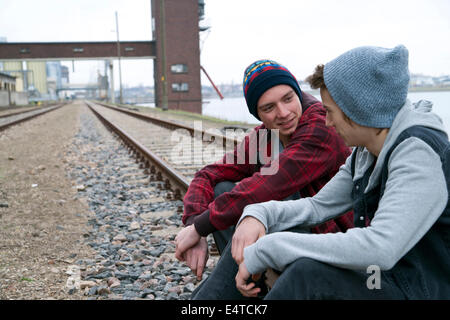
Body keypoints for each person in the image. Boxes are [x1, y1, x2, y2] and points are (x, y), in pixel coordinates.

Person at [233, 45, 450, 299]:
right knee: (288, 256)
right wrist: (257, 214)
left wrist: (268, 249)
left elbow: (380, 247)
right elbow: (317, 207)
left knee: (307, 275)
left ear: (358, 109)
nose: (327, 122)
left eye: (330, 111)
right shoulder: (367, 151)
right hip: (386, 279)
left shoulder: (418, 152)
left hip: (420, 291)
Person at [174, 59, 354, 299]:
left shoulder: (322, 126)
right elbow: (209, 174)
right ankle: (253, 288)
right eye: (269, 108)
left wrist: (200, 227)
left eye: (288, 99)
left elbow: (270, 185)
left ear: (298, 94)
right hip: (296, 235)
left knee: (262, 204)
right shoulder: (266, 136)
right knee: (222, 188)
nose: (283, 113)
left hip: (337, 245)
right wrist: (194, 225)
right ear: (257, 114)